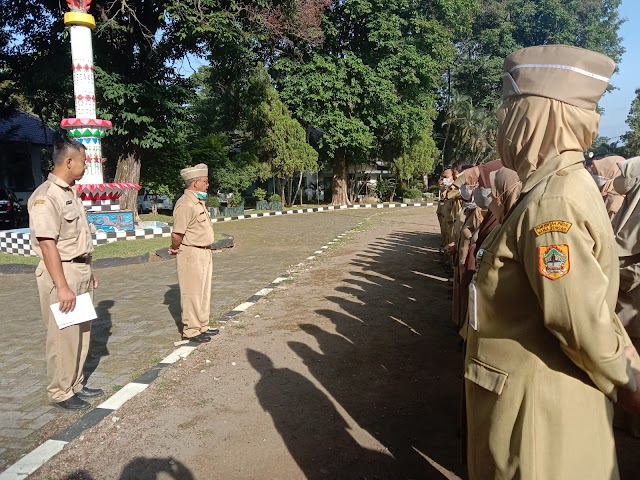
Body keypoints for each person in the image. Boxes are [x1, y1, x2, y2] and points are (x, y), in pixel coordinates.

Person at [464, 45, 640, 479]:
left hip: (537, 422)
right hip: (534, 406)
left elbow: (580, 326)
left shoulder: (553, 202)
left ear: (541, 114)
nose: (502, 119)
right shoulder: (552, 188)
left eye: (511, 105)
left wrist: (633, 387)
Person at [28, 136, 102, 411]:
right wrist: (62, 286)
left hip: (79, 269)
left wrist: (87, 269)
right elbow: (48, 245)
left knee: (81, 332)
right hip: (62, 272)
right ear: (69, 161)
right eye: (83, 162)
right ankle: (60, 391)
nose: (85, 166)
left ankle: (75, 383)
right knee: (63, 334)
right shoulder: (46, 196)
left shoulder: (70, 193)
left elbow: (76, 238)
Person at [169, 164, 217, 343]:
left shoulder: (198, 202)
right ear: (195, 183)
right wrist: (175, 248)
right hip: (191, 252)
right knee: (192, 293)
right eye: (205, 181)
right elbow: (177, 233)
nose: (207, 184)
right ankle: (191, 330)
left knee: (203, 291)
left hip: (204, 252)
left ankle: (202, 325)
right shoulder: (185, 204)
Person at [589, 154, 626, 219]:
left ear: (611, 174)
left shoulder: (614, 202)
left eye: (596, 173)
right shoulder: (603, 192)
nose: (594, 176)